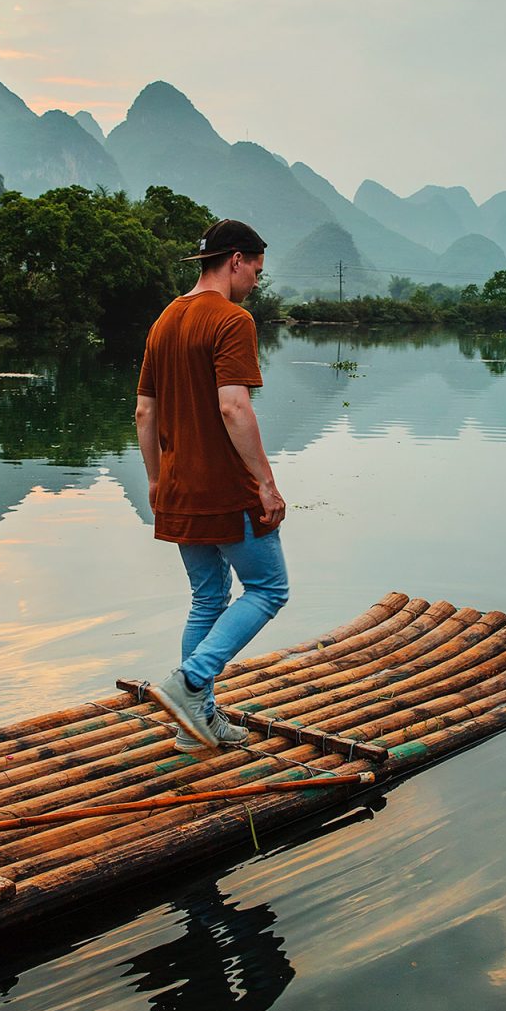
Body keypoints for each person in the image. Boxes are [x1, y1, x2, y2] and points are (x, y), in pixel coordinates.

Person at [135, 217, 288, 751]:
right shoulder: (231, 319)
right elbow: (233, 405)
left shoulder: (164, 320)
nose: (255, 282)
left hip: (177, 487)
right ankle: (189, 683)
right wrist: (266, 484)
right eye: (256, 271)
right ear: (235, 260)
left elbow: (143, 412)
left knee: (207, 598)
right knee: (269, 589)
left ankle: (194, 726)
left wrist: (157, 481)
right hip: (225, 488)